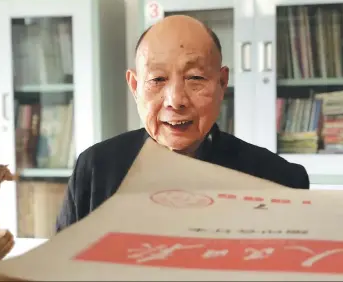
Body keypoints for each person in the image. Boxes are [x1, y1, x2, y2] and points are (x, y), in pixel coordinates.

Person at [56, 15, 309, 232]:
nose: (175, 101)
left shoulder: (279, 180)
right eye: (157, 79)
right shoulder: (95, 169)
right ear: (135, 87)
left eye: (195, 77)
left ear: (222, 83)